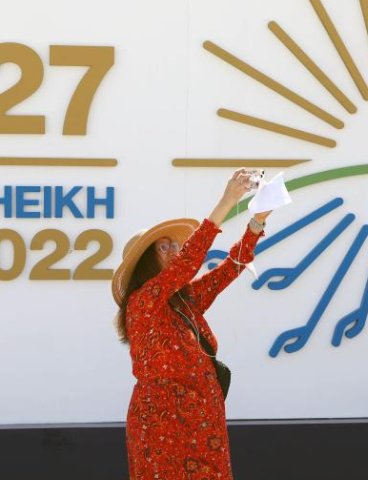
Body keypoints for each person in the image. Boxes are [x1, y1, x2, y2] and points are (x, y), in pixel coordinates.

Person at [111, 168, 272, 480]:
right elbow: (189, 262)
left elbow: (230, 268)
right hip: (163, 426)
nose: (174, 251)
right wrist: (228, 200)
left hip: (202, 423)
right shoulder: (142, 302)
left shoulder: (182, 300)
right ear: (146, 260)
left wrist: (258, 221)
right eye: (164, 247)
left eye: (174, 245)